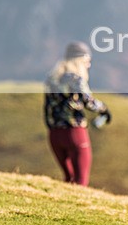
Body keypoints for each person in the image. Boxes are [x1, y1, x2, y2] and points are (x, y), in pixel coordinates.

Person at [43, 41, 111, 186]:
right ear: (80, 60)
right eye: (87, 61)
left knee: (69, 179)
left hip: (54, 134)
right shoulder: (76, 79)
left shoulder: (51, 79)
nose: (89, 65)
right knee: (80, 181)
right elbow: (88, 101)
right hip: (74, 132)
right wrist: (104, 110)